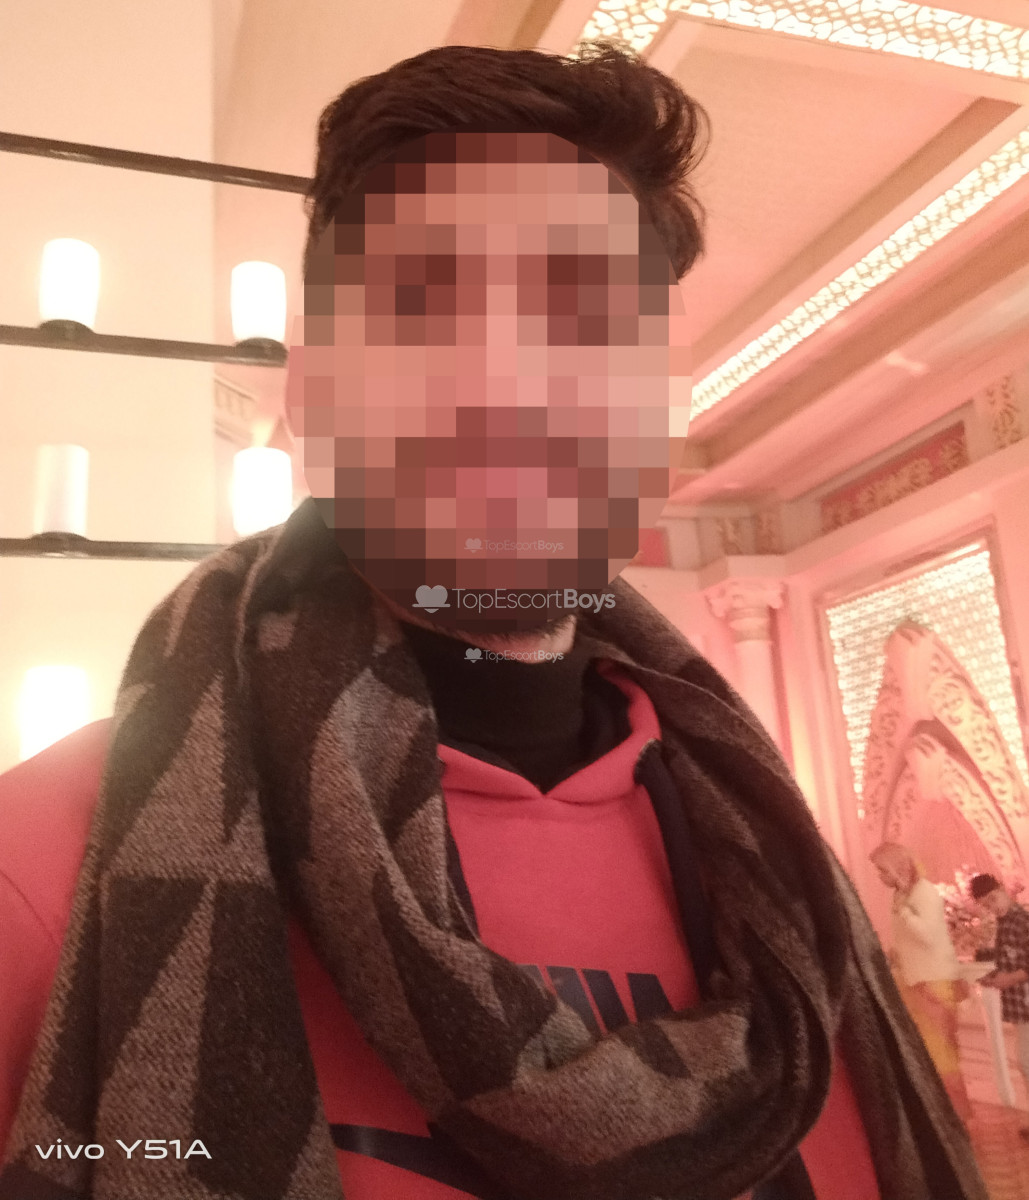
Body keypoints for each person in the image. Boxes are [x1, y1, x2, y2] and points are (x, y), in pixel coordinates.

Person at [0, 41, 987, 1200]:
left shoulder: (785, 874)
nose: (512, 379)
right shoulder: (45, 871)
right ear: (312, 396)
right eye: (427, 307)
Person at [870, 842, 972, 1121]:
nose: (880, 877)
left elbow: (928, 936)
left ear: (897, 867)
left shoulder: (924, 892)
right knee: (923, 1051)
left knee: (941, 1053)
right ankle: (935, 1112)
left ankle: (954, 1115)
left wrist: (905, 912)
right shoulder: (903, 895)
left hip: (933, 982)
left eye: (883, 870)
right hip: (915, 981)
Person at [970, 873, 1029, 1134]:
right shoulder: (1005, 922)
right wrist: (994, 977)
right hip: (1021, 1004)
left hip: (1026, 999)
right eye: (986, 905)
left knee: (1026, 1061)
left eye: (993, 899)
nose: (992, 907)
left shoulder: (1022, 920)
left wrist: (1008, 979)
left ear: (1003, 889)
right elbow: (1010, 961)